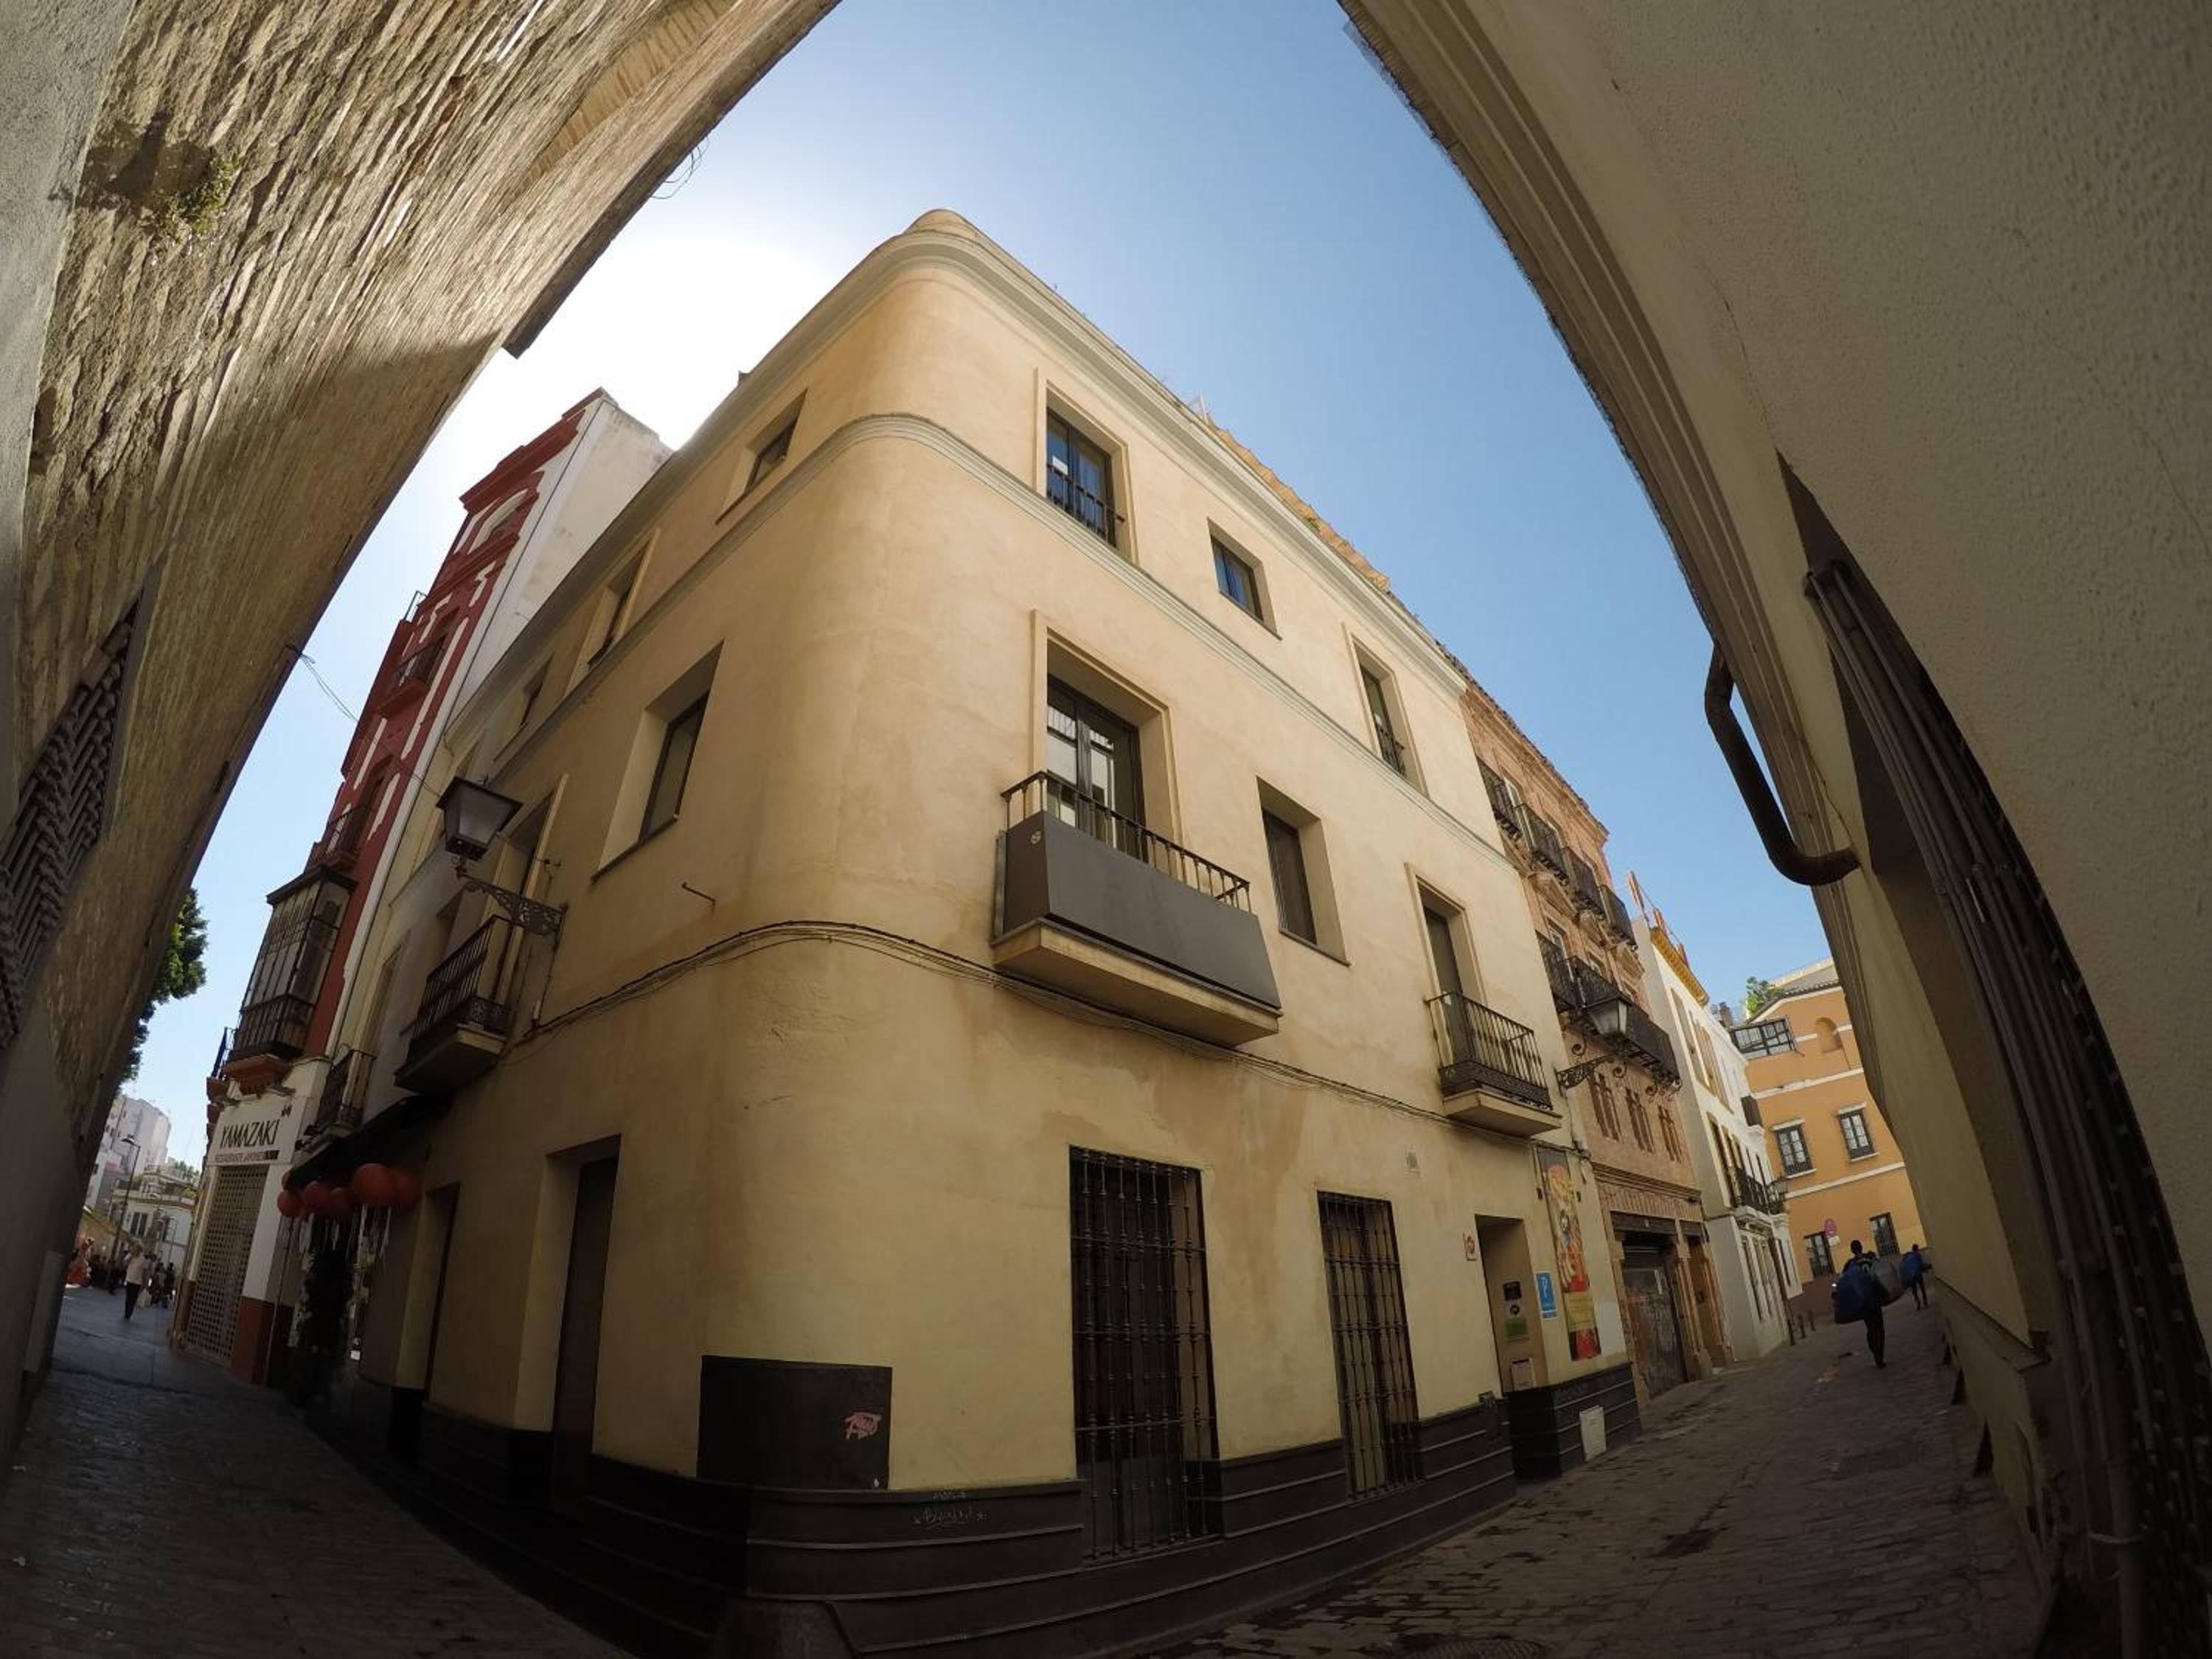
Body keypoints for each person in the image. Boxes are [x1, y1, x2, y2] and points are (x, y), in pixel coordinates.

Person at [1843, 1239, 1889, 1367]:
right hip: (1876, 1299)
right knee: (1880, 1327)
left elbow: (1845, 1280)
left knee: (1870, 1328)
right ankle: (1880, 1355)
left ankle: (1875, 1351)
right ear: (1862, 1247)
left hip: (1864, 1302)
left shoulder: (1851, 1264)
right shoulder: (1870, 1258)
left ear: (1852, 1250)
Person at [1899, 1242, 1931, 1310]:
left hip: (1911, 1276)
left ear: (1912, 1249)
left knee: (1914, 1291)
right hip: (1918, 1275)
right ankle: (1925, 1303)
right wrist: (1927, 1268)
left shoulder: (1909, 1256)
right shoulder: (1917, 1255)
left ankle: (1918, 1303)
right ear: (1917, 1249)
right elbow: (1921, 1264)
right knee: (1922, 1289)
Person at [122, 1248, 148, 1321]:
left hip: (138, 1282)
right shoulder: (130, 1256)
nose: (136, 1251)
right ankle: (127, 1313)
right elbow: (124, 1264)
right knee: (128, 1297)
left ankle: (129, 1313)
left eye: (137, 1249)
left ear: (140, 1251)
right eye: (135, 1249)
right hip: (129, 1280)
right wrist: (131, 1256)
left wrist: (145, 1283)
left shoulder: (143, 1259)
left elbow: (145, 1272)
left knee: (133, 1299)